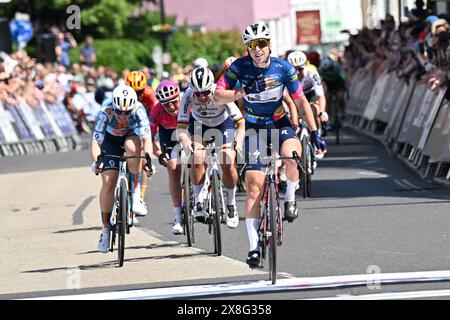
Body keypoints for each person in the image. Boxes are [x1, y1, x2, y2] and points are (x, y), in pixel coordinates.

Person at [214, 22, 327, 267]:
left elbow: (300, 102)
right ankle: (253, 247)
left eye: (261, 44)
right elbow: (217, 95)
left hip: (279, 122)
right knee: (254, 186)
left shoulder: (283, 68)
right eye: (252, 45)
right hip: (254, 127)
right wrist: (240, 93)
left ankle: (289, 198)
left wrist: (315, 132)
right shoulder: (238, 68)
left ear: (269, 45)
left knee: (292, 156)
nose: (257, 49)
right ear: (247, 48)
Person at [176, 66, 245, 229]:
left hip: (223, 124)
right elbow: (180, 126)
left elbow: (240, 123)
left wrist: (239, 142)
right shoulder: (187, 96)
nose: (201, 97)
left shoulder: (219, 93)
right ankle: (199, 202)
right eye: (197, 93)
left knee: (227, 161)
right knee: (197, 158)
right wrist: (184, 138)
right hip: (199, 124)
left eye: (205, 92)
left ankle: (231, 204)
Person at [90, 85, 153, 253]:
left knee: (133, 149)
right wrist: (97, 161)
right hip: (110, 140)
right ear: (114, 107)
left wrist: (148, 159)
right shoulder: (106, 110)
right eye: (119, 112)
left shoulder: (139, 109)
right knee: (109, 182)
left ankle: (136, 194)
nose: (122, 116)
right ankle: (105, 229)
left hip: (130, 136)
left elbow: (147, 139)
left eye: (127, 113)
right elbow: (96, 141)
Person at [149, 80, 184, 234]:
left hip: (190, 130)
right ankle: (178, 216)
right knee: (172, 167)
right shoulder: (156, 111)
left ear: (179, 98)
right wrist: (159, 154)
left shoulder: (187, 104)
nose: (171, 106)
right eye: (166, 104)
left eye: (173, 102)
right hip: (168, 136)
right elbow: (148, 139)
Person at [125, 70, 158, 214]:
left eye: (140, 92)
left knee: (144, 155)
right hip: (126, 123)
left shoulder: (150, 96)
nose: (137, 95)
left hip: (144, 122)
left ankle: (140, 196)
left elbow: (153, 118)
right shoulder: (123, 95)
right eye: (134, 92)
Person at [287, 50, 328, 131]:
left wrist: (322, 112)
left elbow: (321, 95)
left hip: (311, 94)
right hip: (296, 97)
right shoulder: (287, 75)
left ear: (305, 65)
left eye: (300, 68)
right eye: (295, 69)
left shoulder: (312, 73)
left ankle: (317, 132)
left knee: (314, 110)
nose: (298, 71)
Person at [318, 56, 346, 122]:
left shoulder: (336, 66)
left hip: (337, 81)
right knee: (327, 99)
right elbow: (320, 81)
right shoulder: (320, 70)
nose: (328, 71)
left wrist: (344, 83)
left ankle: (342, 111)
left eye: (329, 69)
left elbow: (343, 75)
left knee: (340, 97)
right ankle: (329, 116)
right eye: (326, 70)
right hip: (328, 83)